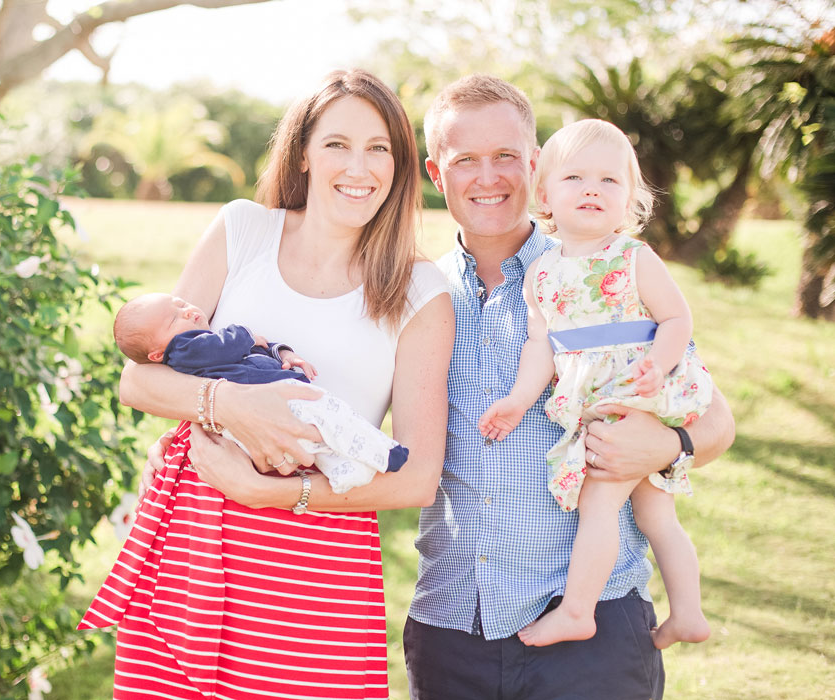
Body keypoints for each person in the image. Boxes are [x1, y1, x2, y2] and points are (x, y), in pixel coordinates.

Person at [79, 69, 454, 700]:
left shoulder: (420, 291)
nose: (358, 166)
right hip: (192, 540)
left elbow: (417, 477)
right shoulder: (243, 229)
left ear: (400, 164)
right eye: (337, 143)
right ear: (304, 152)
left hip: (315, 563)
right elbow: (138, 379)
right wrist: (230, 404)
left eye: (379, 147)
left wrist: (269, 492)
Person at [403, 74, 735, 700]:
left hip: (594, 630)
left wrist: (664, 448)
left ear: (534, 165)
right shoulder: (416, 295)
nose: (489, 177)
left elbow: (716, 421)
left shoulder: (603, 267)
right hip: (451, 625)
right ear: (436, 173)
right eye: (465, 160)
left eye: (506, 156)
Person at [477, 118, 712, 649]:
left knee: (600, 503)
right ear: (544, 193)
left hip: (634, 394)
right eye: (575, 178)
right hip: (600, 397)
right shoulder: (540, 272)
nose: (591, 189)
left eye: (609, 181)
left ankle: (577, 610)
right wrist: (518, 400)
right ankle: (688, 614)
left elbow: (677, 318)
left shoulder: (633, 257)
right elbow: (541, 346)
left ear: (630, 197)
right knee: (656, 513)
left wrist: (659, 363)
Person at [111, 291, 410, 493]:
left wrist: (284, 354)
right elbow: (228, 346)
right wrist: (245, 334)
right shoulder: (184, 351)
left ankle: (343, 470)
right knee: (329, 412)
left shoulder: (204, 343)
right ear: (156, 354)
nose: (187, 312)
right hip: (272, 398)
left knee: (313, 443)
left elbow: (257, 349)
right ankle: (380, 450)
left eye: (180, 303)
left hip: (273, 394)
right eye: (173, 319)